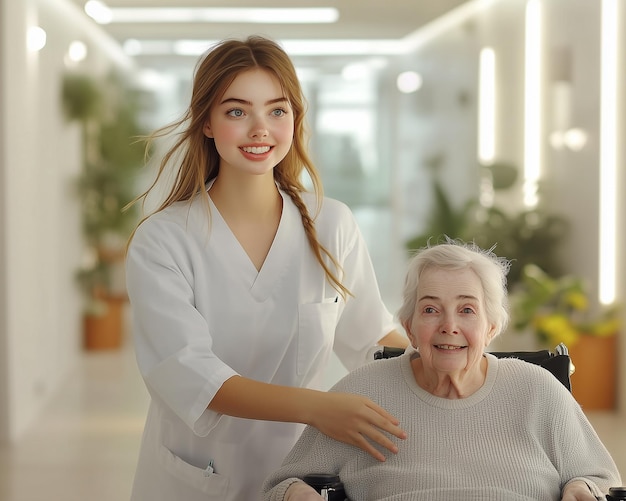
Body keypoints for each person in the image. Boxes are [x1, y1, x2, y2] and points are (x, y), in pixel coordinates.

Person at [124, 35, 408, 501]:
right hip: (195, 476)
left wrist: (470, 366)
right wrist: (319, 408)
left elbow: (371, 338)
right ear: (208, 123)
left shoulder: (330, 222)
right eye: (237, 111)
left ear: (295, 119)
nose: (261, 129)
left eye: (277, 111)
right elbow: (193, 375)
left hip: (299, 477)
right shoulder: (164, 241)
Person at [263, 239, 622, 501]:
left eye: (467, 310)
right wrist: (298, 494)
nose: (449, 326)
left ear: (491, 327)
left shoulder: (537, 389)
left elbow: (600, 477)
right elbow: (281, 485)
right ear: (409, 327)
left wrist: (580, 487)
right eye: (431, 310)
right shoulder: (362, 392)